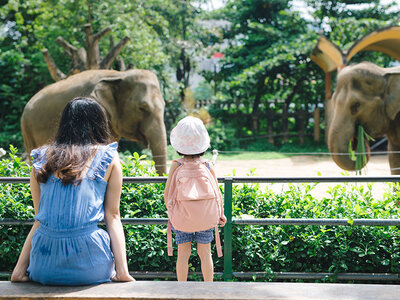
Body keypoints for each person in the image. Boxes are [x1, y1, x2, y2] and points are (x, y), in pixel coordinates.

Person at [11, 97, 134, 285]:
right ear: (99, 123)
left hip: (44, 265)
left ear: (64, 124)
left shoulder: (41, 159)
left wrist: (19, 271)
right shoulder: (108, 156)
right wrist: (122, 272)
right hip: (90, 265)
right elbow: (113, 216)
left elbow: (40, 218)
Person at [164, 116, 227, 282]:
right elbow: (217, 192)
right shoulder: (207, 165)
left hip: (182, 218)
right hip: (206, 217)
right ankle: (208, 290)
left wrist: (171, 213)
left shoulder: (176, 165)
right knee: (205, 254)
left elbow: (168, 193)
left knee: (183, 255)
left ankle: (182, 290)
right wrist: (221, 213)